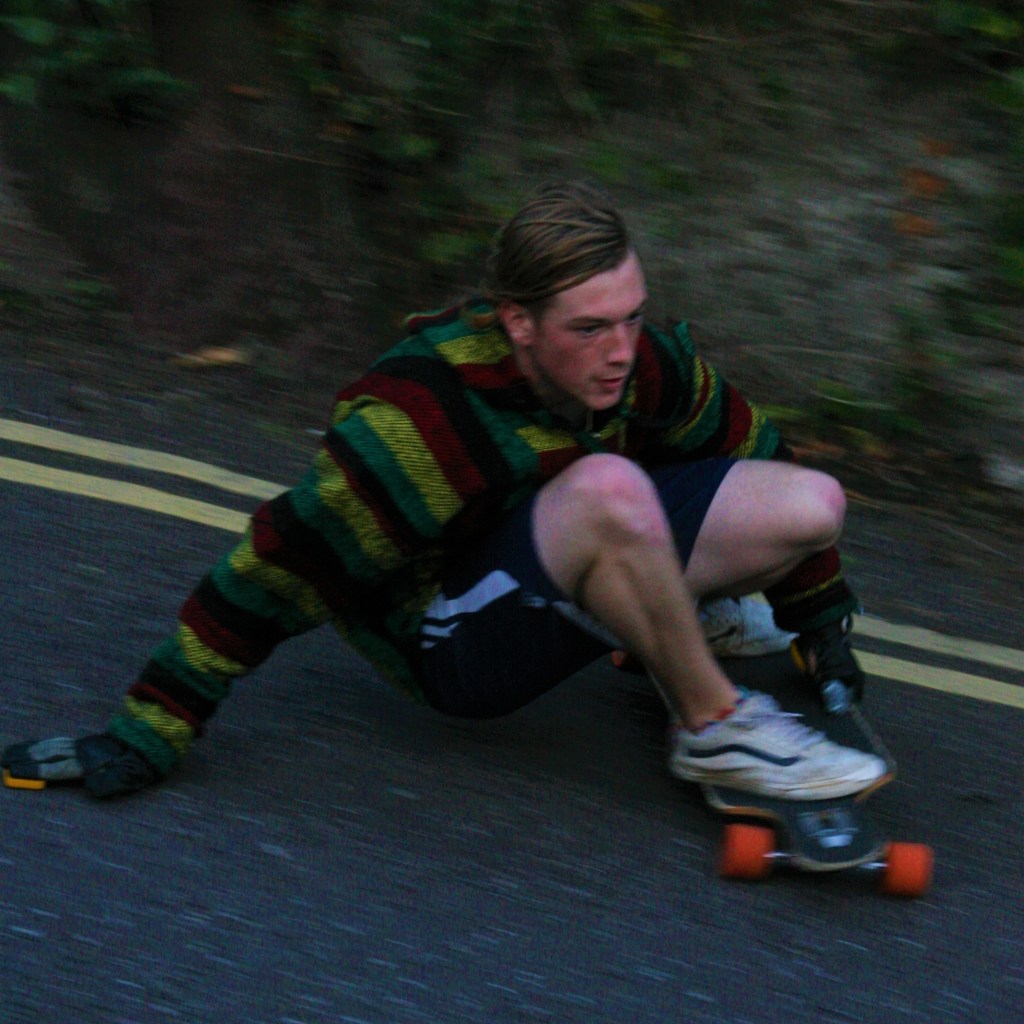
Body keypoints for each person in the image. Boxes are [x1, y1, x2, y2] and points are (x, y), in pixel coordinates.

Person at [2, 181, 880, 801]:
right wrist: (152, 728)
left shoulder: (633, 362)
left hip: (554, 554)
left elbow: (748, 446)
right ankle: (714, 728)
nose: (620, 350)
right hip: (451, 642)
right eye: (589, 328)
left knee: (813, 503)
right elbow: (279, 567)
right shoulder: (422, 424)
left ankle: (677, 617)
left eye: (631, 316)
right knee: (609, 486)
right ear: (518, 322)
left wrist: (818, 622)